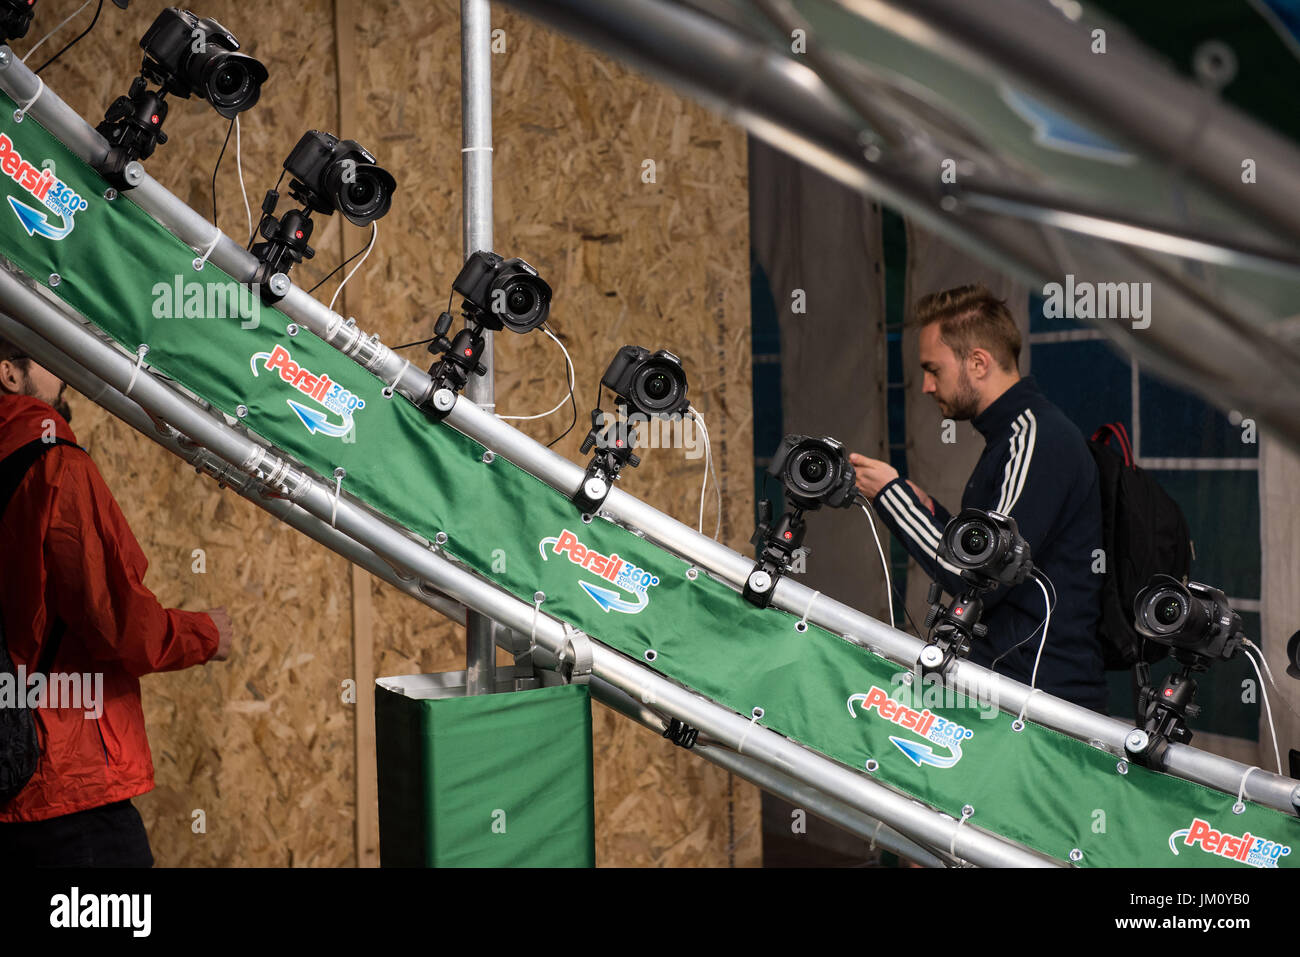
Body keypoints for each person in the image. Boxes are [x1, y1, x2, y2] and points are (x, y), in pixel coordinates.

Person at [0, 336, 232, 866]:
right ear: (10, 376)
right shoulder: (57, 469)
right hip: (66, 789)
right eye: (45, 355)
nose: (62, 369)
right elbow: (122, 628)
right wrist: (208, 634)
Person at [851, 285, 1108, 712]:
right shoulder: (1013, 435)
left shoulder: (1035, 437)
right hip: (1015, 686)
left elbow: (979, 572)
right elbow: (991, 548)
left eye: (933, 369)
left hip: (1042, 699)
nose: (926, 387)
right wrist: (928, 510)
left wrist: (891, 496)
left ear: (977, 363)